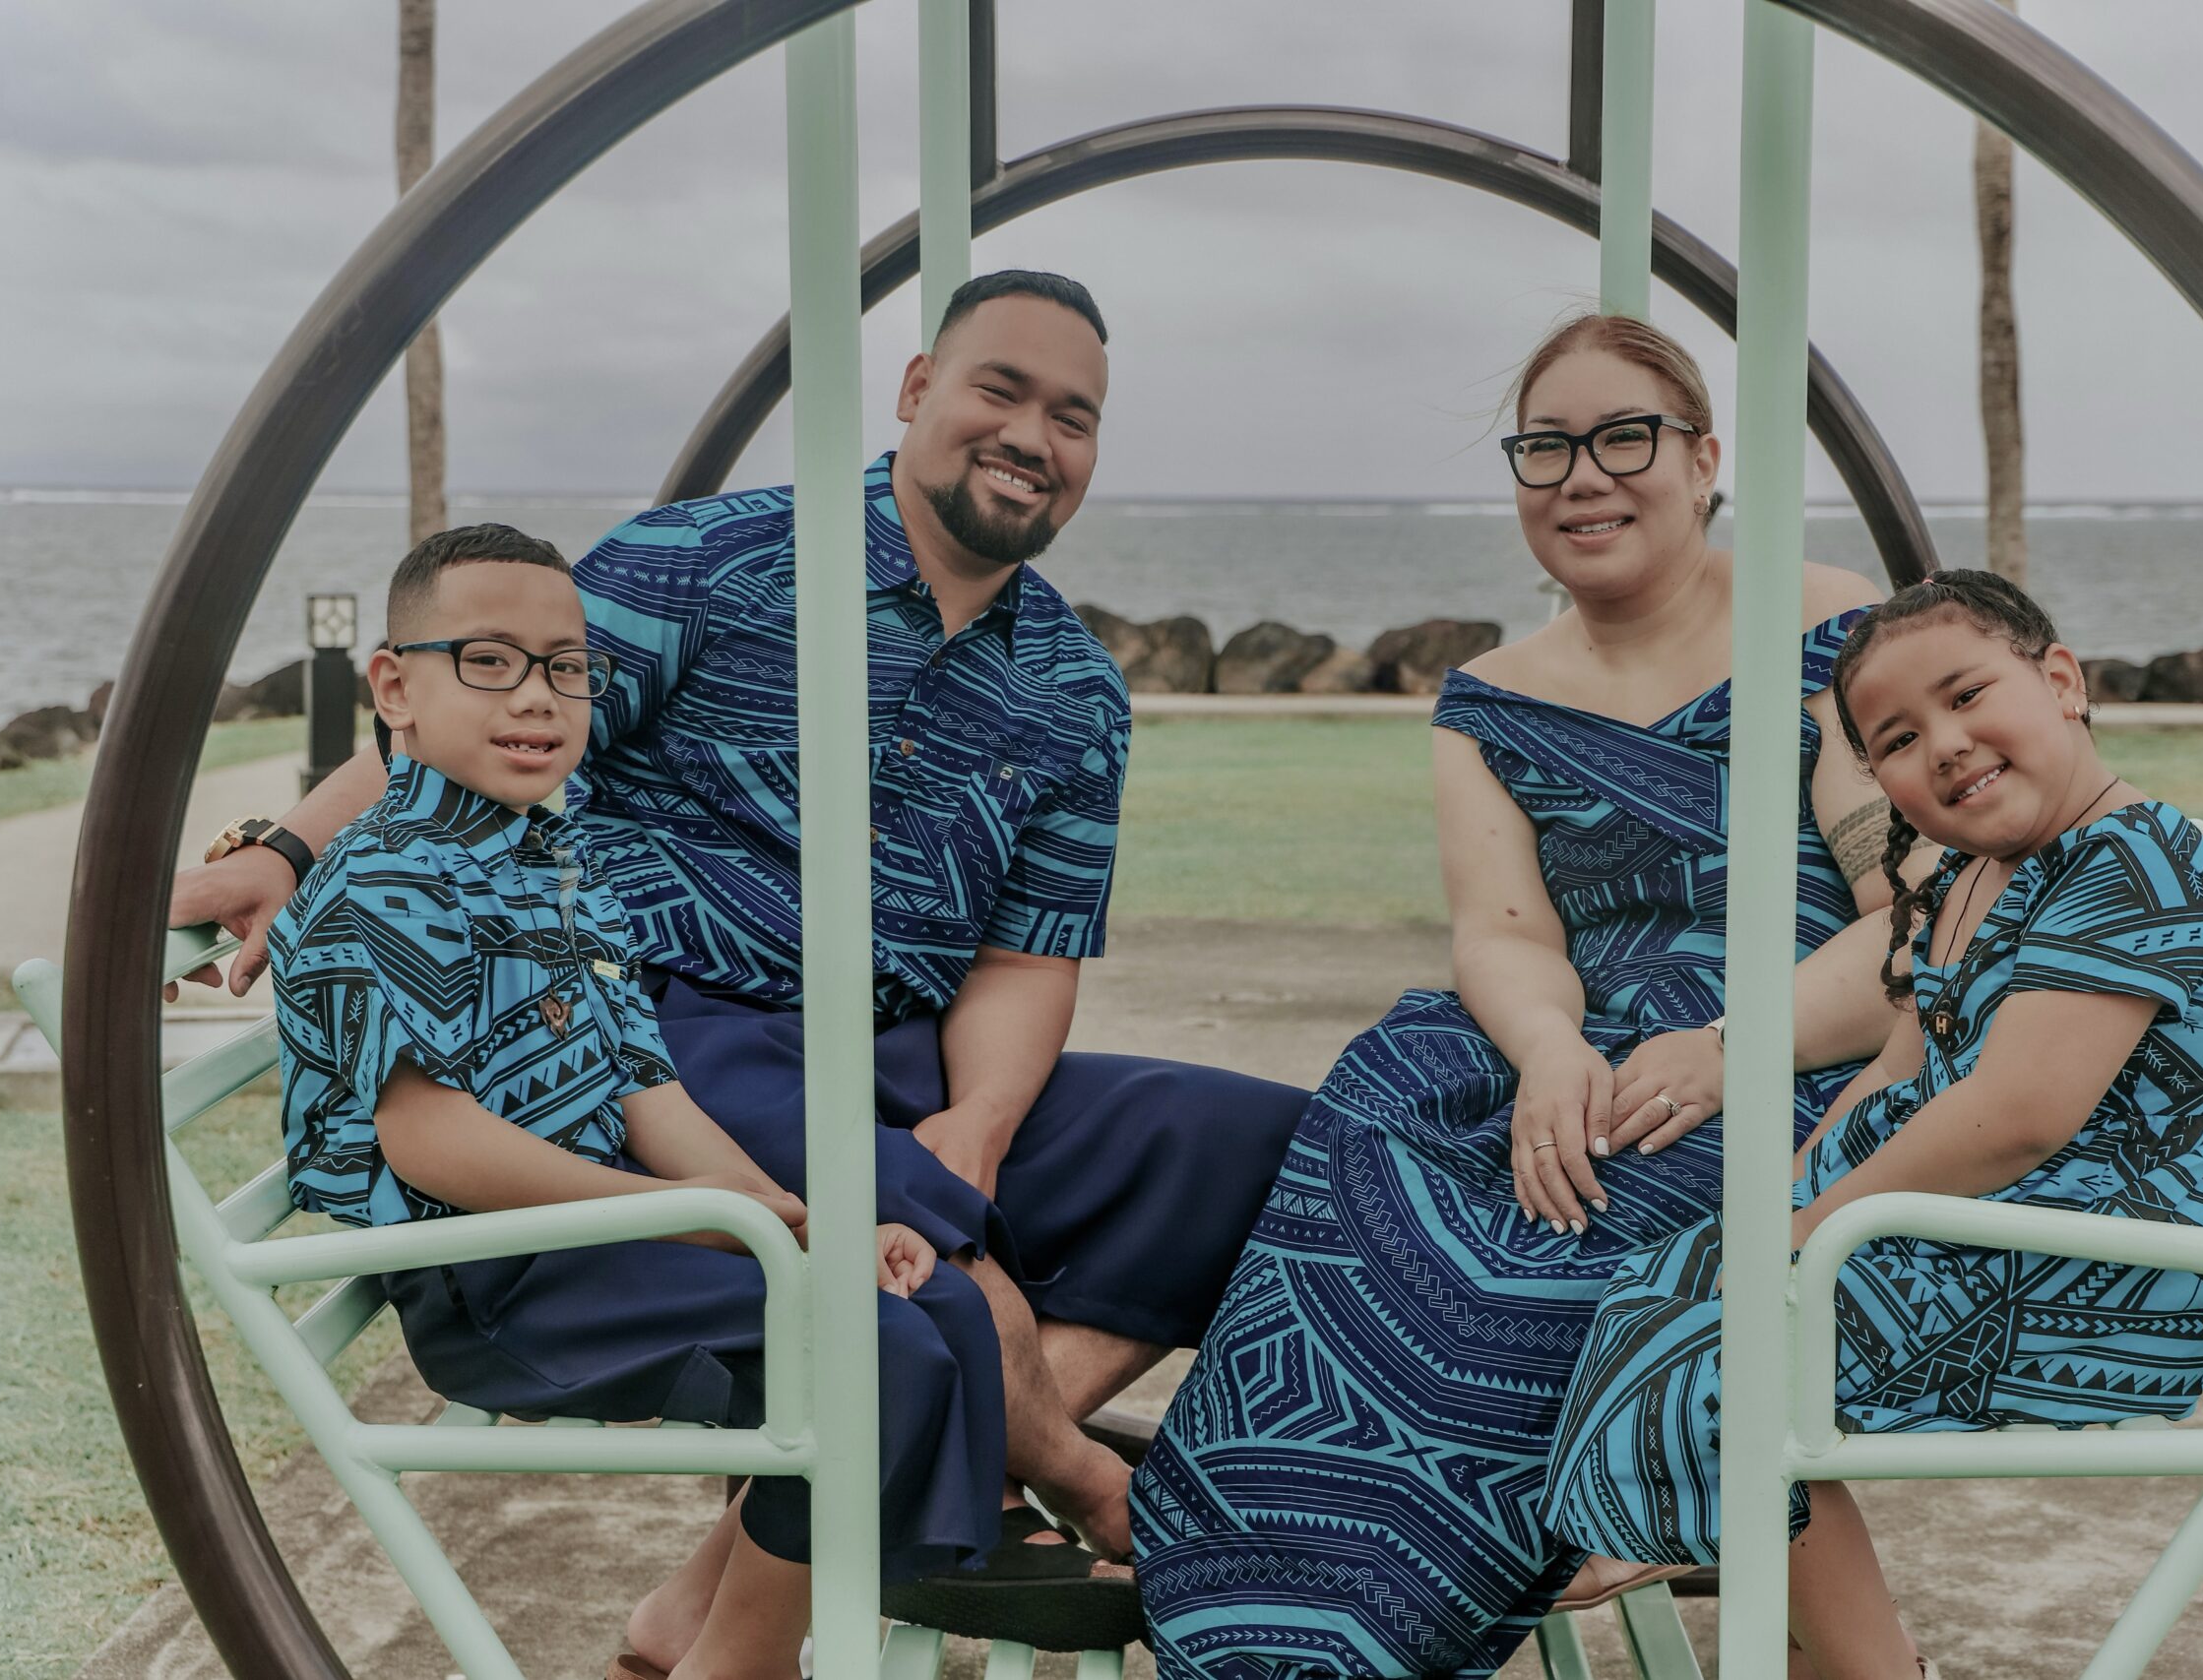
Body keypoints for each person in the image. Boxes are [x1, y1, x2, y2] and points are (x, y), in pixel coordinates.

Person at [168, 272, 1312, 1669]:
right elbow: (479, 711)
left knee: (1267, 1152)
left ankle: (785, 1553)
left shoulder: (1076, 689)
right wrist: (290, 847)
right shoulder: (710, 562)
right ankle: (1053, 1482)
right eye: (999, 389)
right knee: (937, 1273)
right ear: (917, 392)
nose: (1032, 435)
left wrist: (974, 1122)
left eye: (1072, 417)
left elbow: (1027, 954)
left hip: (906, 1048)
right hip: (687, 1021)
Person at [1129, 314, 1926, 1679]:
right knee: (1369, 1195)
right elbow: (1502, 933)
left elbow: (1908, 916)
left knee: (1509, 1290)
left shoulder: (1824, 624)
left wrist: (1733, 1045)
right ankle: (1256, 1609)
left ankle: (1383, 1623)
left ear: (1703, 460)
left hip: (1797, 1051)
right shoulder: (1490, 702)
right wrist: (1550, 1049)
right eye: (1545, 446)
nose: (1582, 476)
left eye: (1624, 438)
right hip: (1579, 1052)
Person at [267, 525, 976, 1680]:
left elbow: (643, 1078)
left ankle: (703, 1630)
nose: (535, 696)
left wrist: (790, 1219)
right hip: (498, 1276)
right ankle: (737, 1663)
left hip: (595, 1240)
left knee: (929, 1303)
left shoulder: (550, 860)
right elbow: (432, 1142)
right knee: (871, 1353)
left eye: (567, 666)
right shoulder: (384, 879)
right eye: (487, 660)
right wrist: (692, 1219)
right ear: (393, 688)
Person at [1543, 571, 2203, 1680]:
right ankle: (1774, 1616)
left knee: (1740, 1379)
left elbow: (2015, 1118)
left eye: (1967, 694)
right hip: (1997, 1226)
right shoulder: (1972, 877)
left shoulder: (2129, 861)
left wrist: (1812, 1235)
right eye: (1895, 739)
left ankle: (1862, 1658)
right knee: (1670, 1279)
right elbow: (1897, 1072)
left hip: (2116, 1265)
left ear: (2062, 681)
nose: (1944, 744)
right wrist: (1787, 1201)